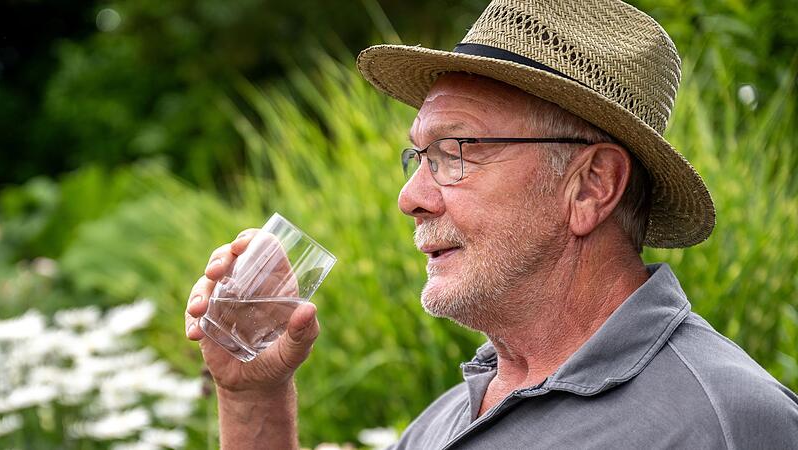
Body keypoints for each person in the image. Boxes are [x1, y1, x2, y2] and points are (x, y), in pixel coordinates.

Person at [184, 0, 798, 448]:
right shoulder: (445, 422)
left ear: (591, 186)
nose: (410, 198)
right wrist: (252, 398)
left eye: (457, 151)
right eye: (419, 155)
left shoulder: (726, 422)